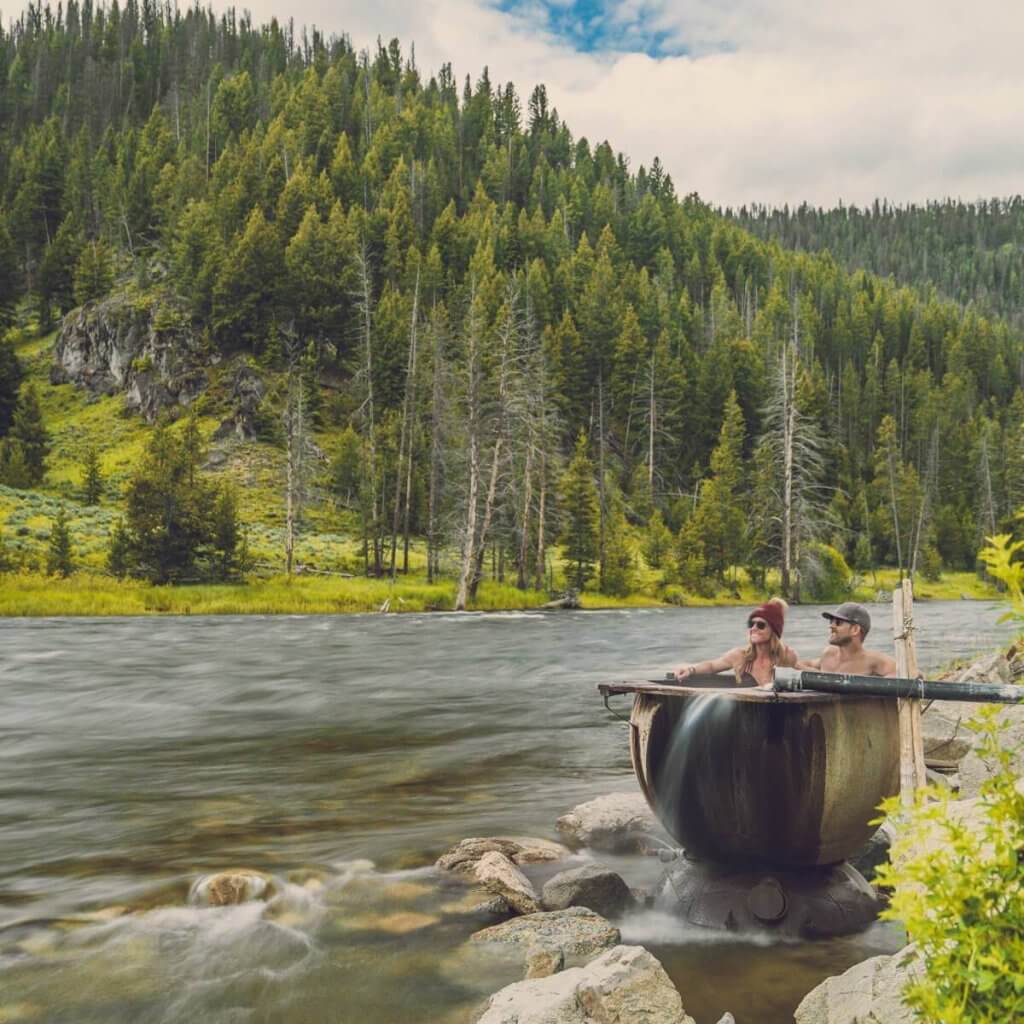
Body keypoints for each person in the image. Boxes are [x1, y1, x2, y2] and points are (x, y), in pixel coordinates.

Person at [673, 598, 801, 688]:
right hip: (745, 716)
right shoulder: (739, 656)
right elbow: (712, 666)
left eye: (761, 625)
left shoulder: (788, 656)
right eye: (751, 623)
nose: (753, 628)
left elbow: (800, 674)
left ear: (774, 631)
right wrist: (690, 669)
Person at [800, 602, 897, 677]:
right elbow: (810, 664)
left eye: (838, 622)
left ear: (855, 630)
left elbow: (905, 674)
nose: (831, 626)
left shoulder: (874, 660)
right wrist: (791, 662)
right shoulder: (828, 654)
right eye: (831, 621)